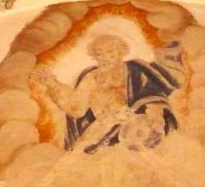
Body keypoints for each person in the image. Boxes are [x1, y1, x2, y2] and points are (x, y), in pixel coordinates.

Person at [31, 35, 180, 153]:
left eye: (110, 52)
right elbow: (76, 108)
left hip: (136, 129)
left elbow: (153, 94)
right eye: (99, 54)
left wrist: (154, 112)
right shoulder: (92, 77)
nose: (104, 58)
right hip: (103, 131)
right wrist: (52, 84)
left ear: (121, 53)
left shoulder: (134, 70)